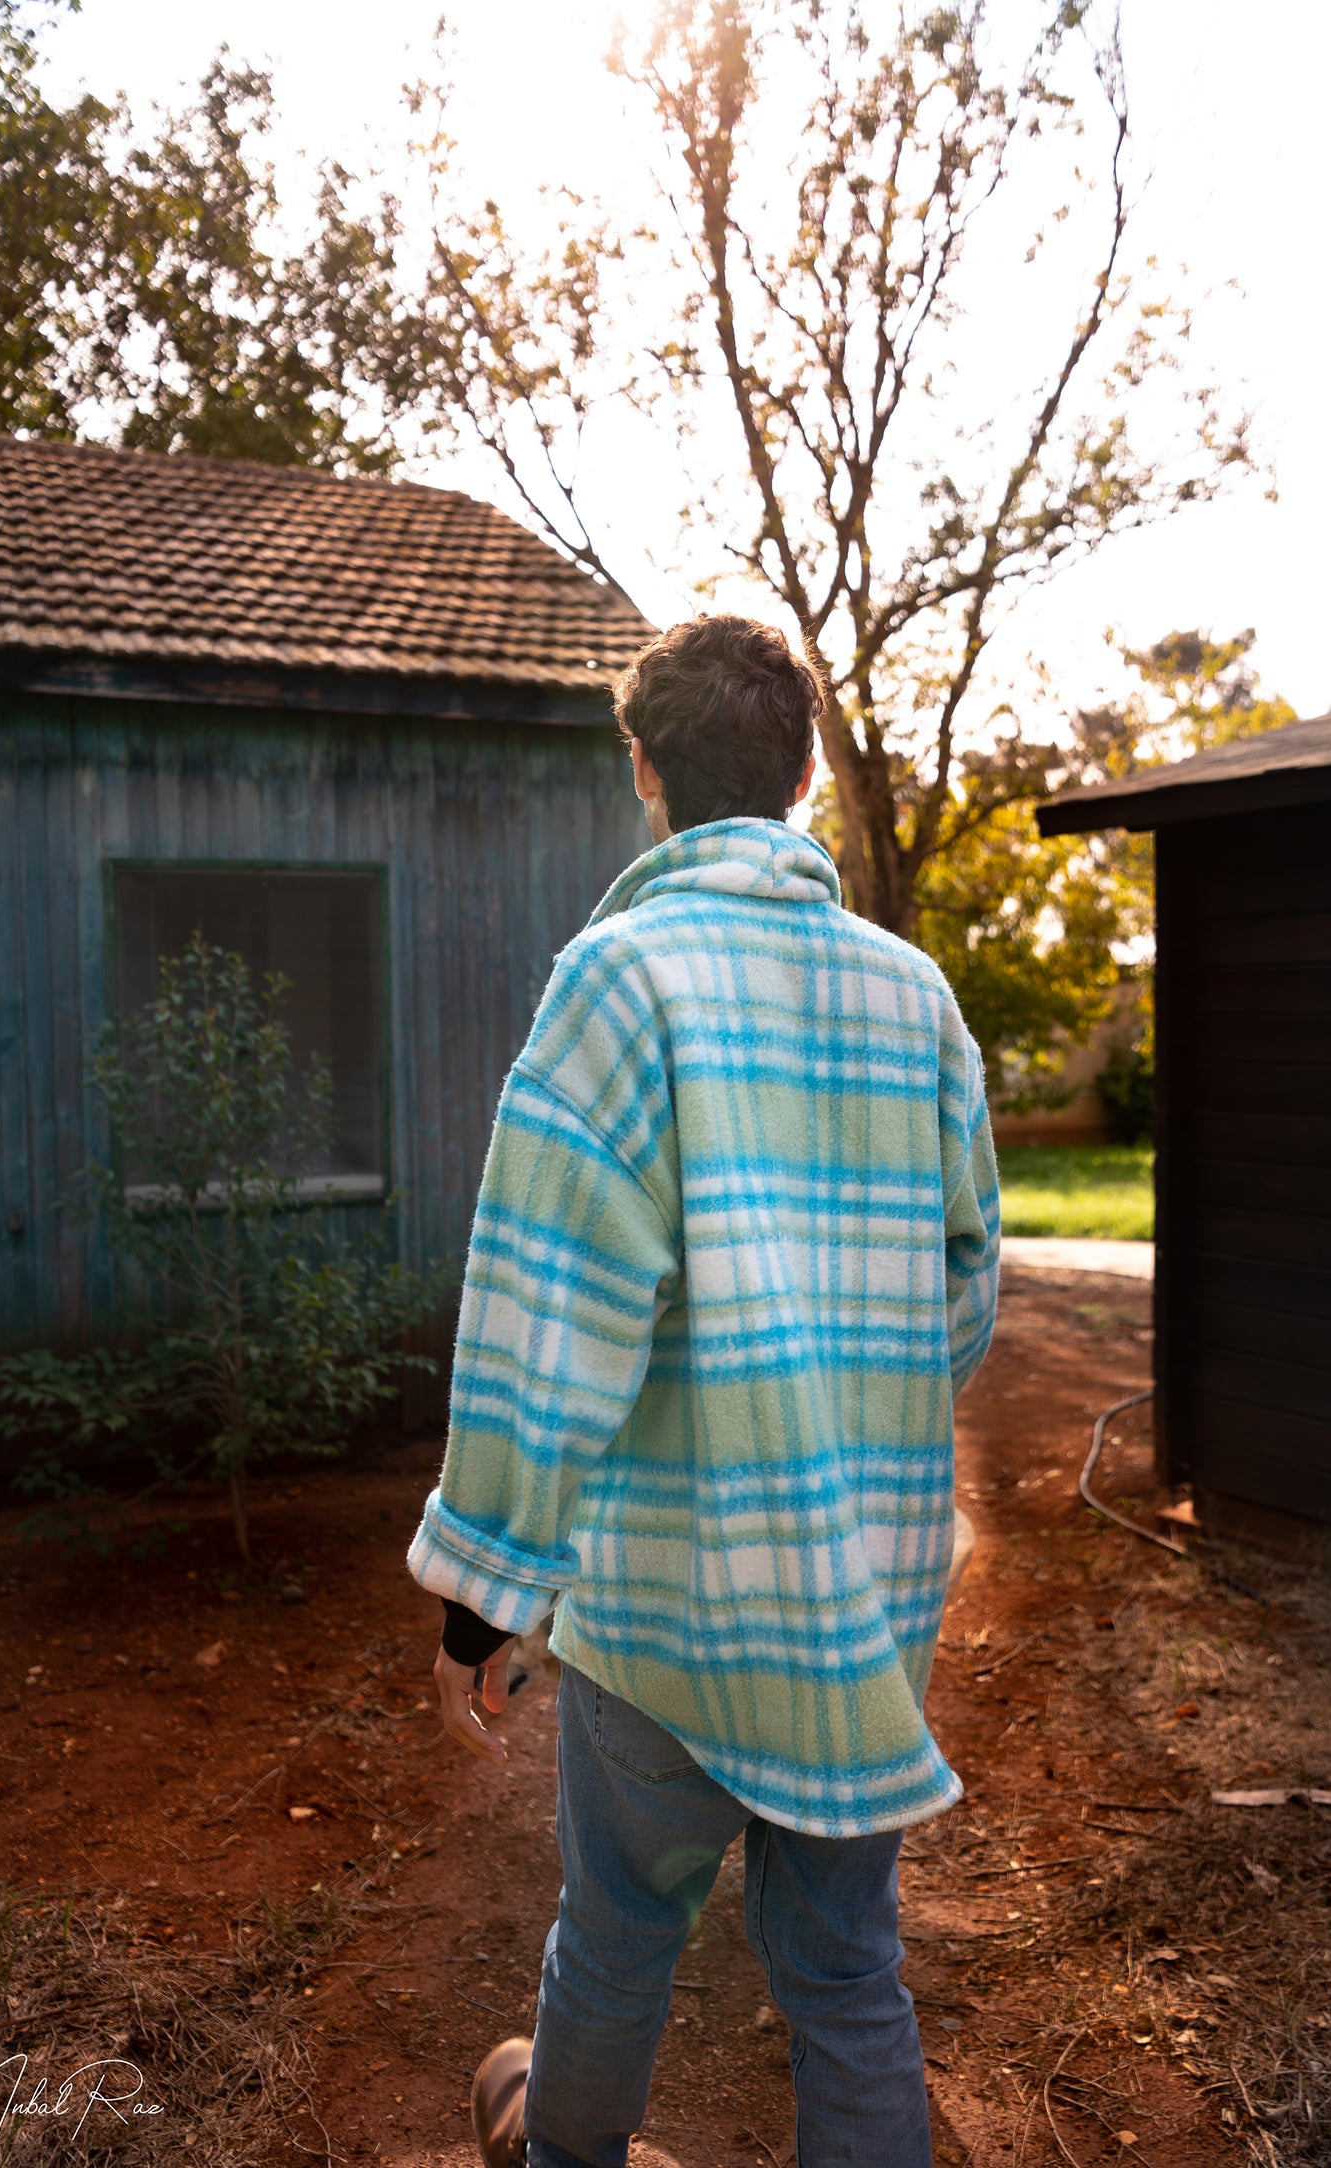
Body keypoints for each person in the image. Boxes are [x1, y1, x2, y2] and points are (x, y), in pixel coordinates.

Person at [407, 614, 1000, 2168]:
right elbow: (962, 1294)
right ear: (807, 772)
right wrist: (835, 1412)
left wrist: (485, 1593)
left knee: (611, 1941)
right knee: (845, 1970)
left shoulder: (620, 980)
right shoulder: (914, 1000)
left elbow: (546, 1310)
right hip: (861, 1610)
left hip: (666, 1613)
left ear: (646, 774)